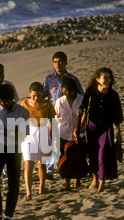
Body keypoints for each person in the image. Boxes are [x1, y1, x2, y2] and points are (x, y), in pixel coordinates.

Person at [0, 84, 30, 220]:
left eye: (5, 101)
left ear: (12, 99)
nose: (3, 104)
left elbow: (23, 135)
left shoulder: (23, 112)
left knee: (13, 182)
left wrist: (3, 131)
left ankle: (9, 214)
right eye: (0, 101)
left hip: (14, 149)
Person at [79, 68, 123, 194]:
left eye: (109, 77)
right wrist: (80, 126)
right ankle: (95, 179)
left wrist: (118, 133)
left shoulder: (114, 95)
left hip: (106, 129)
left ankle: (102, 184)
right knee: (92, 156)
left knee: (103, 155)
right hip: (91, 127)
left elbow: (118, 115)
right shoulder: (91, 91)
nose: (107, 80)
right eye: (105, 78)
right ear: (98, 79)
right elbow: (83, 108)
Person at [42, 51, 85, 180]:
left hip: (70, 114)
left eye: (60, 61)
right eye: (55, 62)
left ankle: (72, 169)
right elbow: (43, 94)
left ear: (65, 62)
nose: (58, 64)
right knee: (51, 141)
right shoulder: (48, 79)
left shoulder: (73, 79)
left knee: (69, 144)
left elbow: (81, 95)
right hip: (54, 113)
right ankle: (50, 171)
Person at [20, 82, 56, 200]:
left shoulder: (47, 104)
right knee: (28, 163)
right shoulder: (24, 104)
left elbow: (52, 120)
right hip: (29, 134)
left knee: (41, 164)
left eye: (39, 95)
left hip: (43, 132)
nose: (36, 98)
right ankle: (29, 192)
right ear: (30, 94)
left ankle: (42, 186)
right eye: (34, 95)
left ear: (42, 94)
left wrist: (49, 135)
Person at [55, 77, 84, 191]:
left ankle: (77, 179)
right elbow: (56, 117)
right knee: (64, 157)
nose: (66, 93)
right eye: (64, 91)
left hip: (79, 133)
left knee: (78, 156)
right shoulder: (60, 101)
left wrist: (80, 128)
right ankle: (66, 182)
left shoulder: (81, 100)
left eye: (69, 91)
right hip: (64, 133)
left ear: (74, 90)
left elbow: (86, 116)